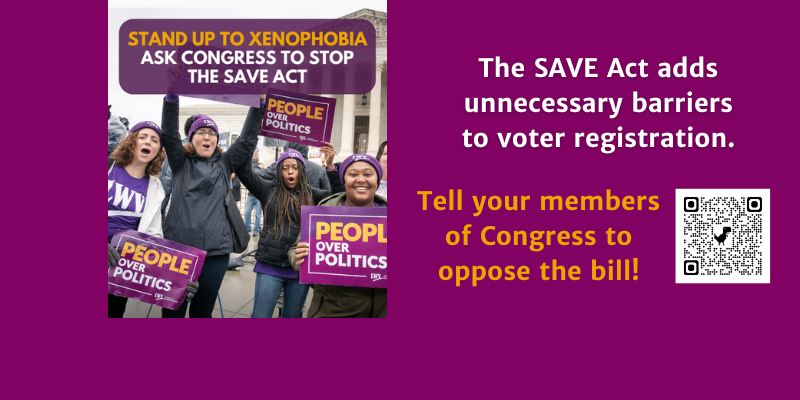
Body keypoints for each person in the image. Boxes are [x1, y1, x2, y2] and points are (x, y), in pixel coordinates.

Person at [160, 94, 265, 318]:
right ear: (191, 138)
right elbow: (168, 134)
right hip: (179, 252)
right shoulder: (179, 161)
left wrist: (260, 102)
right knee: (172, 311)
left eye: (212, 133)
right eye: (201, 132)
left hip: (216, 254)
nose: (207, 137)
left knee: (202, 312)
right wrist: (171, 96)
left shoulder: (225, 163)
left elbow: (246, 140)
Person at [235, 144, 343, 318]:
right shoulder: (267, 189)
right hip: (270, 267)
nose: (290, 172)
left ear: (302, 171)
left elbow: (340, 199)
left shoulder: (312, 194)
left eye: (295, 168)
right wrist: (251, 140)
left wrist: (331, 167)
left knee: (291, 317)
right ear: (279, 172)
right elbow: (245, 173)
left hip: (299, 269)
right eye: (285, 168)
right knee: (260, 316)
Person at [108, 121, 197, 317]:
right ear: (131, 142)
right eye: (142, 137)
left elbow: (153, 238)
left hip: (120, 265)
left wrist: (181, 279)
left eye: (155, 140)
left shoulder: (156, 188)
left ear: (158, 150)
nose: (148, 142)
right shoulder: (108, 167)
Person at [289, 154, 387, 318]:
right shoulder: (324, 210)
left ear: (377, 180)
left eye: (368, 174)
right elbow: (294, 252)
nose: (361, 180)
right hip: (334, 311)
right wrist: (300, 258)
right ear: (344, 180)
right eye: (353, 174)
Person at [244, 150, 263, 236]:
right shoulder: (251, 169)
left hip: (259, 196)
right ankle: (247, 228)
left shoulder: (261, 170)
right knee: (247, 212)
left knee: (258, 214)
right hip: (251, 195)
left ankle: (256, 230)